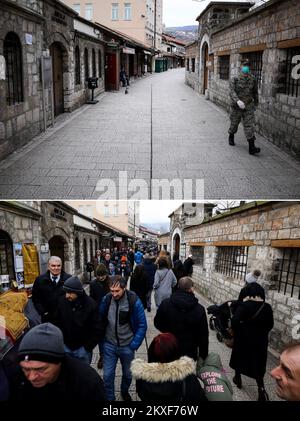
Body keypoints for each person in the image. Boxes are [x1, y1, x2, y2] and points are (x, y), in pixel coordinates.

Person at [8, 323, 106, 401]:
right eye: (26, 369)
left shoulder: (87, 382)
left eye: (40, 369)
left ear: (59, 362)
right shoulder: (17, 376)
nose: (31, 377)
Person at [99, 276, 147, 401]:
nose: (114, 294)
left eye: (117, 291)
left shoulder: (134, 301)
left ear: (124, 288)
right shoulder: (106, 300)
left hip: (127, 346)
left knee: (127, 374)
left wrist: (134, 344)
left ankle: (124, 391)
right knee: (107, 375)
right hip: (109, 345)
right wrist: (102, 342)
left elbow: (142, 325)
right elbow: (100, 320)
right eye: (112, 291)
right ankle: (110, 398)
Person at [131, 332, 207, 402]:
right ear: (176, 353)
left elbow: (141, 394)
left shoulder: (141, 377)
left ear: (151, 354)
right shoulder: (188, 379)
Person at [229, 282, 274, 401]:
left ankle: (237, 378)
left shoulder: (244, 306)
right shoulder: (267, 307)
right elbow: (270, 325)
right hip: (260, 341)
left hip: (243, 339)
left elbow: (234, 322)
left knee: (239, 358)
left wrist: (240, 330)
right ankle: (261, 389)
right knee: (258, 363)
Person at [154, 277, 208, 361]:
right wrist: (203, 356)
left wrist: (167, 332)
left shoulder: (166, 303)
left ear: (178, 287)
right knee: (187, 373)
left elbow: (157, 323)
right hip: (189, 352)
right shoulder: (199, 309)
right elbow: (203, 335)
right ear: (191, 289)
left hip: (169, 347)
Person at [53, 276, 104, 365]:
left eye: (70, 293)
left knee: (83, 376)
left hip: (83, 350)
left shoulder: (91, 305)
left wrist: (87, 347)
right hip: (66, 347)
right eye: (66, 292)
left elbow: (97, 329)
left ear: (78, 292)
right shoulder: (62, 302)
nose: (67, 295)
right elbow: (56, 322)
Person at [228, 59, 260, 155]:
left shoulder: (253, 79)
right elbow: (231, 91)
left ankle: (251, 147)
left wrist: (255, 104)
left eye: (248, 65)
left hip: (248, 106)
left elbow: (255, 93)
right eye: (244, 65)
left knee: (249, 125)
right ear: (241, 66)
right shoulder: (235, 78)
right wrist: (237, 100)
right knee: (234, 123)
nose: (246, 67)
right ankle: (231, 135)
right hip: (237, 106)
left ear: (249, 67)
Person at [32, 256, 71, 323]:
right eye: (53, 266)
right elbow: (36, 298)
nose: (56, 268)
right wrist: (43, 312)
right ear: (48, 266)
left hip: (65, 318)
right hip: (47, 318)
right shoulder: (40, 280)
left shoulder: (69, 279)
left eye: (58, 266)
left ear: (61, 266)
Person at [90, 264, 111, 369]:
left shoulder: (110, 282)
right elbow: (92, 299)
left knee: (110, 336)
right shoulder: (93, 284)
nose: (101, 277)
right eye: (99, 275)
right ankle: (102, 356)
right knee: (101, 337)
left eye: (102, 275)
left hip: (110, 313)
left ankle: (110, 354)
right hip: (99, 315)